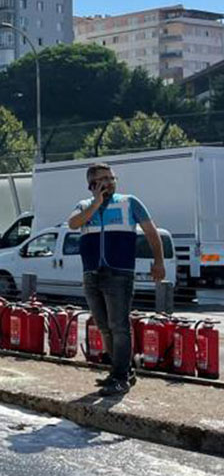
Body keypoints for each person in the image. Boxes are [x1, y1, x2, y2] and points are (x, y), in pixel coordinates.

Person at [67, 163, 166, 395]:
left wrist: (159, 261)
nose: (109, 182)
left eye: (112, 178)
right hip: (92, 273)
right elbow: (73, 223)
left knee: (119, 326)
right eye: (103, 179)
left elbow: (152, 232)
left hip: (119, 273)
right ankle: (121, 371)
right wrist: (96, 204)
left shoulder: (129, 202)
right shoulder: (84, 207)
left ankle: (120, 377)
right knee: (103, 326)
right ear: (92, 185)